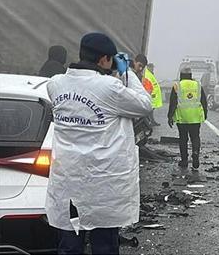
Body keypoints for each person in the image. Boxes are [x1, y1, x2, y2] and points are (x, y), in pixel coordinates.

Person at [45, 32, 153, 255]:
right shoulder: (109, 88)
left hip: (67, 184)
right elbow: (144, 105)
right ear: (104, 59)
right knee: (104, 246)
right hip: (102, 188)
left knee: (69, 246)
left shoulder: (55, 84)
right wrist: (128, 73)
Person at [167, 68, 208, 170]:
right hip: (195, 117)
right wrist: (205, 114)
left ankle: (184, 161)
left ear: (181, 75)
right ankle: (195, 153)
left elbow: (173, 102)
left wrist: (170, 117)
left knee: (183, 139)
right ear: (190, 75)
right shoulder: (198, 85)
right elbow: (204, 101)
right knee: (195, 137)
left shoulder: (177, 86)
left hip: (182, 117)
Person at [136, 55, 162, 127]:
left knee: (151, 111)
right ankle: (149, 123)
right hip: (150, 95)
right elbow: (146, 85)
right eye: (152, 67)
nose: (153, 69)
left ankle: (151, 121)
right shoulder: (146, 74)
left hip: (153, 95)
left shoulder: (150, 73)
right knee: (149, 111)